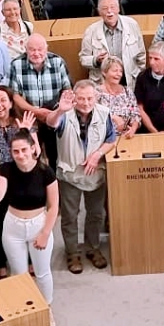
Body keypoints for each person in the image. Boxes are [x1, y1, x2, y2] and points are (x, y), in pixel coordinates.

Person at [0, 129, 60, 326]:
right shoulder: (6, 169)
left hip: (38, 224)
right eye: (16, 151)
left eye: (24, 149)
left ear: (33, 148)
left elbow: (54, 207)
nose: (20, 155)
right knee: (19, 274)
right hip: (13, 225)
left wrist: (44, 234)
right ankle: (24, 309)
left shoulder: (45, 172)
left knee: (41, 273)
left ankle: (46, 308)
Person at [45, 82, 117, 274]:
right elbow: (51, 123)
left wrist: (97, 155)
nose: (86, 103)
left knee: (95, 214)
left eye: (90, 98)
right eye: (81, 98)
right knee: (70, 216)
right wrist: (60, 110)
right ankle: (72, 253)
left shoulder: (104, 112)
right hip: (70, 174)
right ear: (74, 98)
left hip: (95, 173)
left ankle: (92, 249)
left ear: (96, 97)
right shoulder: (64, 113)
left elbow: (111, 138)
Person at [0, 85, 39, 277]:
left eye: (3, 100)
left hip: (23, 178)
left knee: (24, 219)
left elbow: (36, 153)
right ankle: (0, 261)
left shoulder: (23, 122)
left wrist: (26, 132)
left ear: (11, 103)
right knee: (0, 221)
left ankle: (28, 259)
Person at [9, 34, 73, 170]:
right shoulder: (16, 64)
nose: (36, 53)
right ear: (25, 49)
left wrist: (57, 112)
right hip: (29, 114)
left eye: (40, 49)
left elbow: (67, 90)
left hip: (55, 111)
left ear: (46, 49)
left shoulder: (57, 61)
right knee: (33, 154)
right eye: (32, 50)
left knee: (56, 154)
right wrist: (36, 112)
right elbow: (15, 95)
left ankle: (56, 183)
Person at [79, 0, 147, 87]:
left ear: (118, 8)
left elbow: (141, 56)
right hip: (102, 84)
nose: (109, 11)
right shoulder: (91, 31)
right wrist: (96, 60)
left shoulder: (132, 25)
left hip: (129, 81)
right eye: (105, 8)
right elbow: (83, 59)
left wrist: (139, 77)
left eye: (113, 7)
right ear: (99, 12)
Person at [96, 57, 141, 139]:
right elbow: (93, 116)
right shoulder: (96, 93)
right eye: (115, 71)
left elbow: (135, 114)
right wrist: (112, 117)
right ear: (104, 73)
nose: (119, 74)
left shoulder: (127, 92)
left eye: (120, 71)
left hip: (126, 137)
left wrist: (133, 129)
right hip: (103, 138)